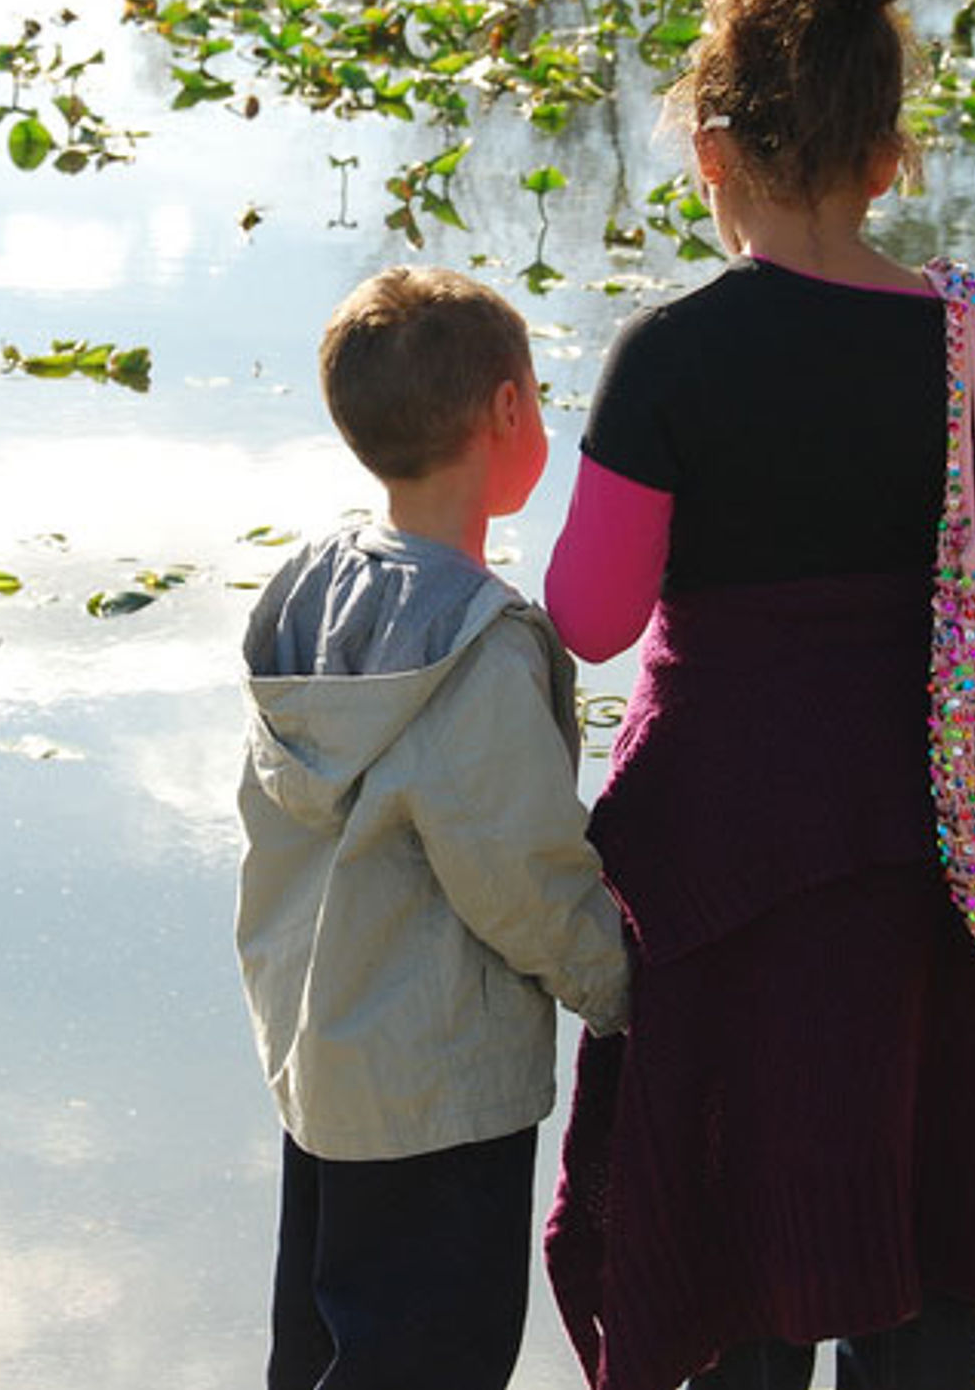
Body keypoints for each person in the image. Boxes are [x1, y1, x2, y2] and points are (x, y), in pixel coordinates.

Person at [539, 0, 975, 1390]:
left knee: (733, 1253)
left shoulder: (671, 354)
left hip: (723, 853)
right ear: (892, 156)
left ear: (711, 147)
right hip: (925, 840)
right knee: (905, 1225)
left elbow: (592, 617)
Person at [235, 265, 634, 1390]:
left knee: (321, 1348)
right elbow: (521, 873)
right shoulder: (477, 646)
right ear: (507, 412)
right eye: (541, 396)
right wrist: (622, 988)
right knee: (437, 1357)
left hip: (325, 1061)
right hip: (441, 1091)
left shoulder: (308, 591)